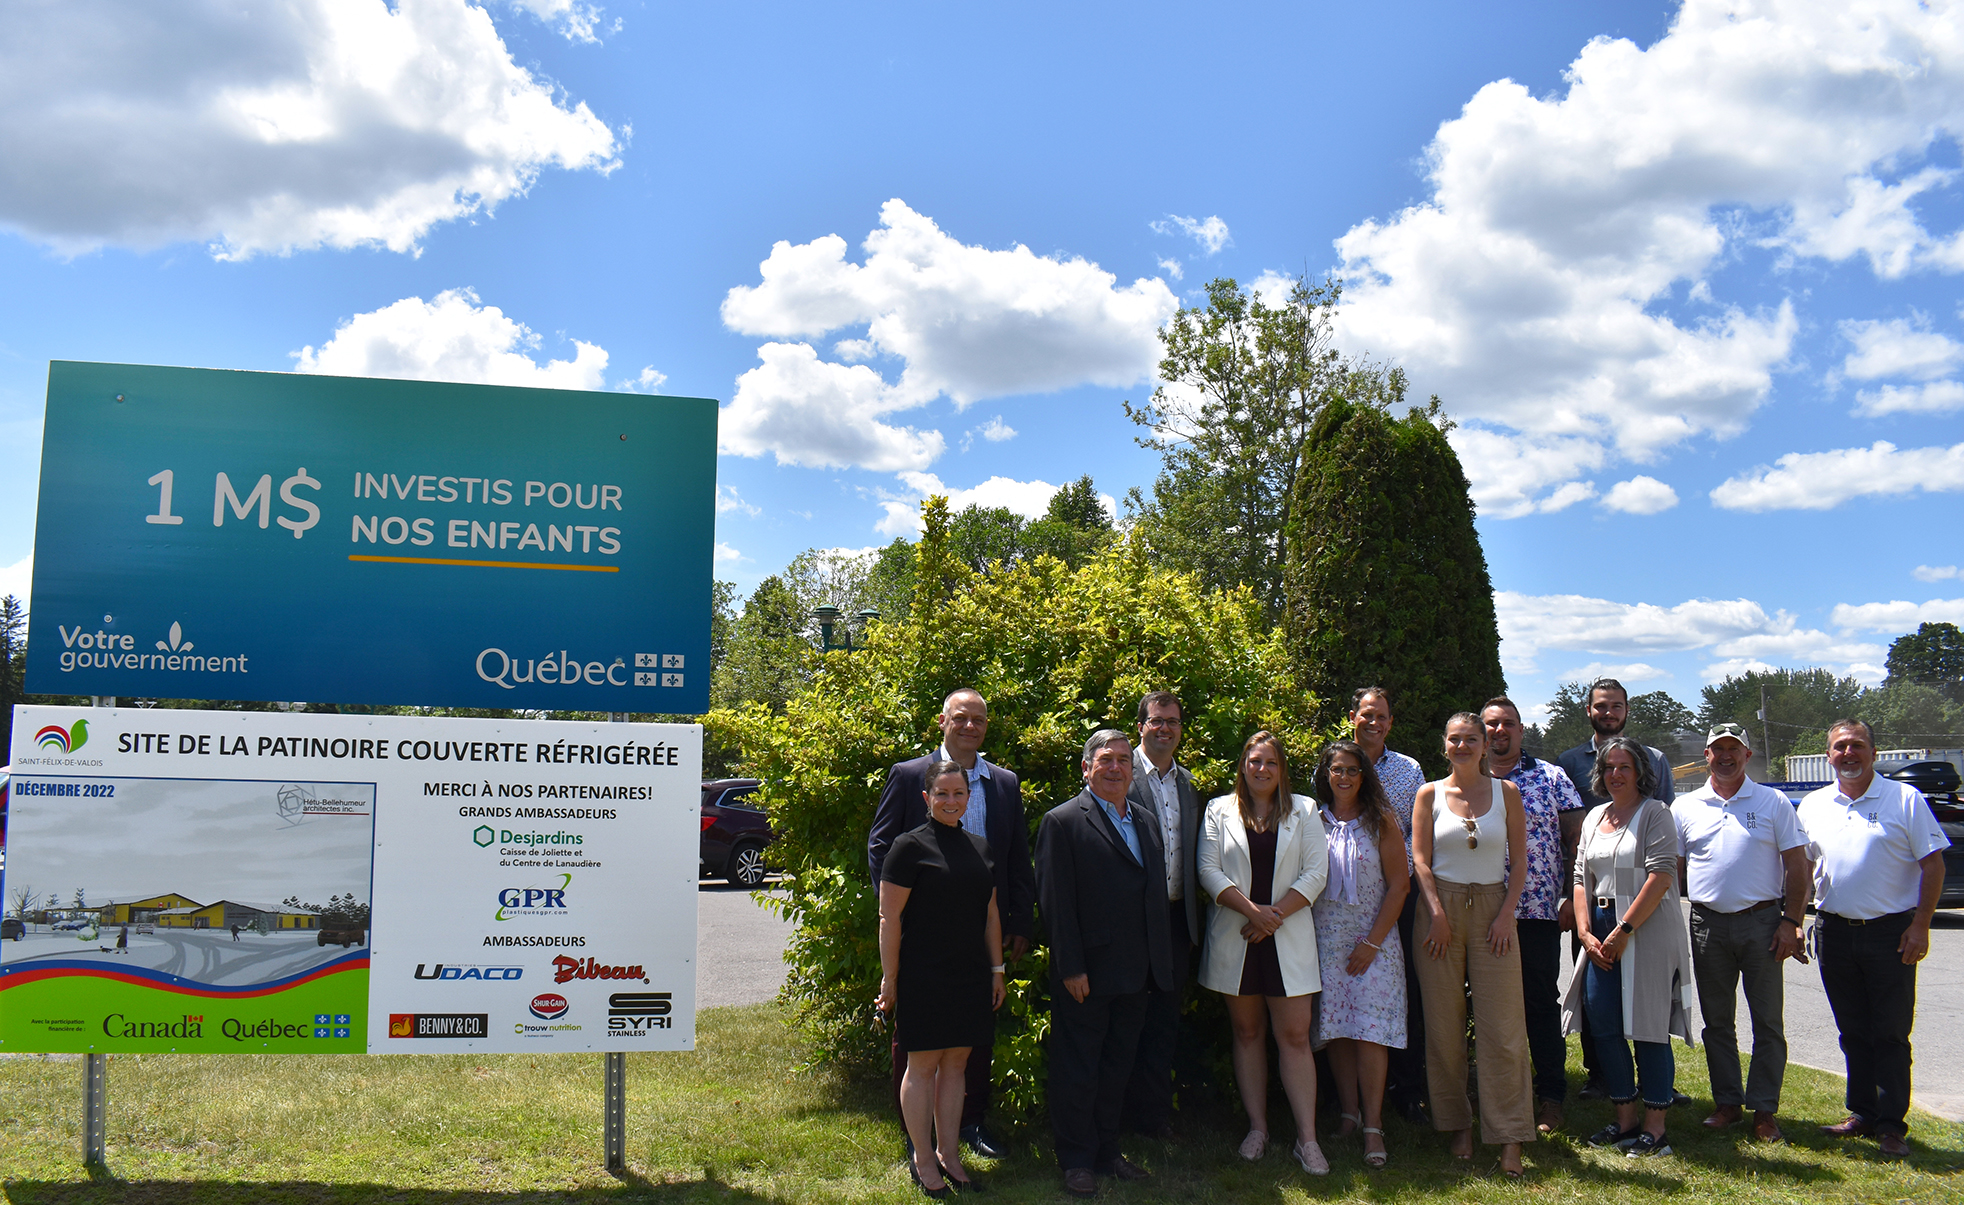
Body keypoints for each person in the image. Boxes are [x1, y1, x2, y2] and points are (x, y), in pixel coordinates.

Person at [868, 687, 1033, 1159]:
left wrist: (1018, 918)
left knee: (973, 1036)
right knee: (917, 1037)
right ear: (942, 720)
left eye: (978, 719)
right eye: (960, 718)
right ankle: (916, 1133)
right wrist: (900, 909)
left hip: (981, 931)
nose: (969, 726)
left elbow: (1015, 857)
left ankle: (970, 1124)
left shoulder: (1003, 782)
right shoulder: (908, 775)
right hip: (922, 937)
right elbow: (881, 847)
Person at [1797, 719, 1950, 1158]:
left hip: (1891, 933)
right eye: (1840, 747)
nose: (1849, 754)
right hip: (1833, 931)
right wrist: (1794, 920)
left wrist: (1920, 924)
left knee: (1890, 1033)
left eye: (1857, 746)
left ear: (1873, 752)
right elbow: (1805, 869)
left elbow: (1933, 866)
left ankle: (1891, 1125)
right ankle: (1861, 1112)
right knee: (1853, 1031)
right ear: (1828, 755)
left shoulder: (1905, 799)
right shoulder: (1813, 805)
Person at [1036, 730, 1175, 1198]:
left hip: (1136, 971)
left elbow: (1152, 895)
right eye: (1105, 760)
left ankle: (1107, 1151)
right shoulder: (1062, 822)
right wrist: (1071, 966)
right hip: (1086, 973)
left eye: (1122, 760)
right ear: (1086, 768)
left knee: (1117, 1066)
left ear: (1131, 770)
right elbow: (1056, 903)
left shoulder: (1146, 820)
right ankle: (1076, 1159)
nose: (1115, 767)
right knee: (1079, 1066)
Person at [1197, 731, 1331, 1175]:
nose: (1262, 770)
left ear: (1282, 770)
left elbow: (1316, 873)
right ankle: (1257, 1128)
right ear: (1243, 766)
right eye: (1255, 761)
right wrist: (1253, 913)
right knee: (1247, 1033)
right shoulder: (1218, 809)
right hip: (1239, 937)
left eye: (1271, 763)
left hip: (1286, 938)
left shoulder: (1306, 810)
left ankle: (1307, 1140)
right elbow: (1208, 870)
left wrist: (1272, 918)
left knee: (1295, 1037)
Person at [1674, 722, 1809, 1144]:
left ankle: (1765, 1110)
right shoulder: (1686, 806)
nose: (1726, 756)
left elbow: (1798, 867)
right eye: (1718, 750)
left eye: (1734, 749)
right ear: (1707, 756)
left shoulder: (1773, 802)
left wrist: (1792, 921)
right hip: (1707, 923)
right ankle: (1727, 1103)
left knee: (1767, 1021)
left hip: (1764, 923)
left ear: (1747, 756)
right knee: (1717, 1021)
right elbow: (1673, 871)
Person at [876, 761, 1008, 1196]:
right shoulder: (907, 847)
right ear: (926, 798)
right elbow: (889, 917)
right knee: (923, 1065)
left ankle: (950, 1154)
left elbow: (990, 914)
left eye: (959, 794)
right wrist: (890, 979)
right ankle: (922, 1155)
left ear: (969, 798)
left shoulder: (980, 847)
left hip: (970, 974)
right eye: (942, 794)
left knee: (957, 1066)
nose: (951, 801)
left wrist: (997, 969)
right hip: (923, 975)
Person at [1411, 713, 1534, 1177]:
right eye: (1454, 739)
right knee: (1444, 1027)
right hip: (1437, 910)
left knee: (1503, 1029)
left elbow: (1520, 861)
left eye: (1471, 739)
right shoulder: (1429, 794)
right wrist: (1436, 913)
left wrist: (1506, 914)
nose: (1463, 746)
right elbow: (1420, 860)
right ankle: (1458, 1124)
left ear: (1486, 745)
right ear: (1444, 745)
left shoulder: (1507, 794)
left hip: (1492, 913)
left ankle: (1509, 1137)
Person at [1565, 736, 1693, 1158]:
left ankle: (1656, 1130)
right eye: (1608, 767)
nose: (1615, 774)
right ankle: (1625, 1121)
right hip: (1598, 928)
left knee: (1648, 1027)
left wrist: (1622, 931)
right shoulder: (1594, 817)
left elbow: (1661, 876)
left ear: (1640, 773)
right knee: (1604, 1026)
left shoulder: (1656, 813)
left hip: (1645, 928)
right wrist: (1585, 931)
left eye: (1624, 767)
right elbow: (1581, 876)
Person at [1553, 677, 1674, 1100]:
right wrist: (1578, 914)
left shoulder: (1653, 762)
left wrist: (1625, 927)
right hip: (1591, 902)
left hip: (1640, 910)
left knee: (1646, 1010)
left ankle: (1654, 1089)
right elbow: (1570, 845)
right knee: (1598, 1004)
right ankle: (1602, 1078)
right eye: (1600, 706)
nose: (1608, 712)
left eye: (1616, 705)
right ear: (1589, 710)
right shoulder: (1568, 763)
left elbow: (1663, 850)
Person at [1480, 696, 1586, 1134]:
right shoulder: (1465, 781)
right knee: (1486, 1008)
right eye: (1491, 725)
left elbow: (1579, 843)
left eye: (1508, 725)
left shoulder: (1552, 778)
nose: (1499, 732)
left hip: (1539, 913)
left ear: (1521, 731)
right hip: (1480, 914)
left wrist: (1567, 897)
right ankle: (1499, 1093)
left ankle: (1550, 1097)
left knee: (1540, 1005)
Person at [1308, 739, 1408, 1170]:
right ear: (1325, 775)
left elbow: (1400, 885)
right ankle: (1348, 1113)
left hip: (1375, 940)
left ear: (1363, 775)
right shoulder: (1312, 820)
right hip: (1325, 938)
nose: (1344, 777)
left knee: (1371, 1032)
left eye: (1352, 769)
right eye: (1336, 770)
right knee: (1337, 1028)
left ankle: (1373, 1124)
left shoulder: (1381, 820)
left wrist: (1372, 942)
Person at [1123, 690, 1204, 1139]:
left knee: (1163, 1023)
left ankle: (1153, 1119)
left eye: (1173, 722)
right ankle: (1117, 1117)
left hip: (1176, 922)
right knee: (1127, 1019)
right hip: (1132, 922)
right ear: (1141, 725)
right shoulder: (1119, 772)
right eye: (1157, 721)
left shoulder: (1187, 783)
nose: (1165, 729)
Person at [1349, 686, 1428, 1123]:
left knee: (1405, 989)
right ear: (1353, 717)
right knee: (1351, 984)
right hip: (1349, 898)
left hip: (1402, 894)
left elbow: (1419, 831)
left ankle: (1407, 1088)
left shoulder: (1408, 769)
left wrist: (1406, 882)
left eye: (1381, 715)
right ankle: (1347, 1100)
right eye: (1366, 714)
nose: (1374, 722)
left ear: (1390, 722)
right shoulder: (1337, 762)